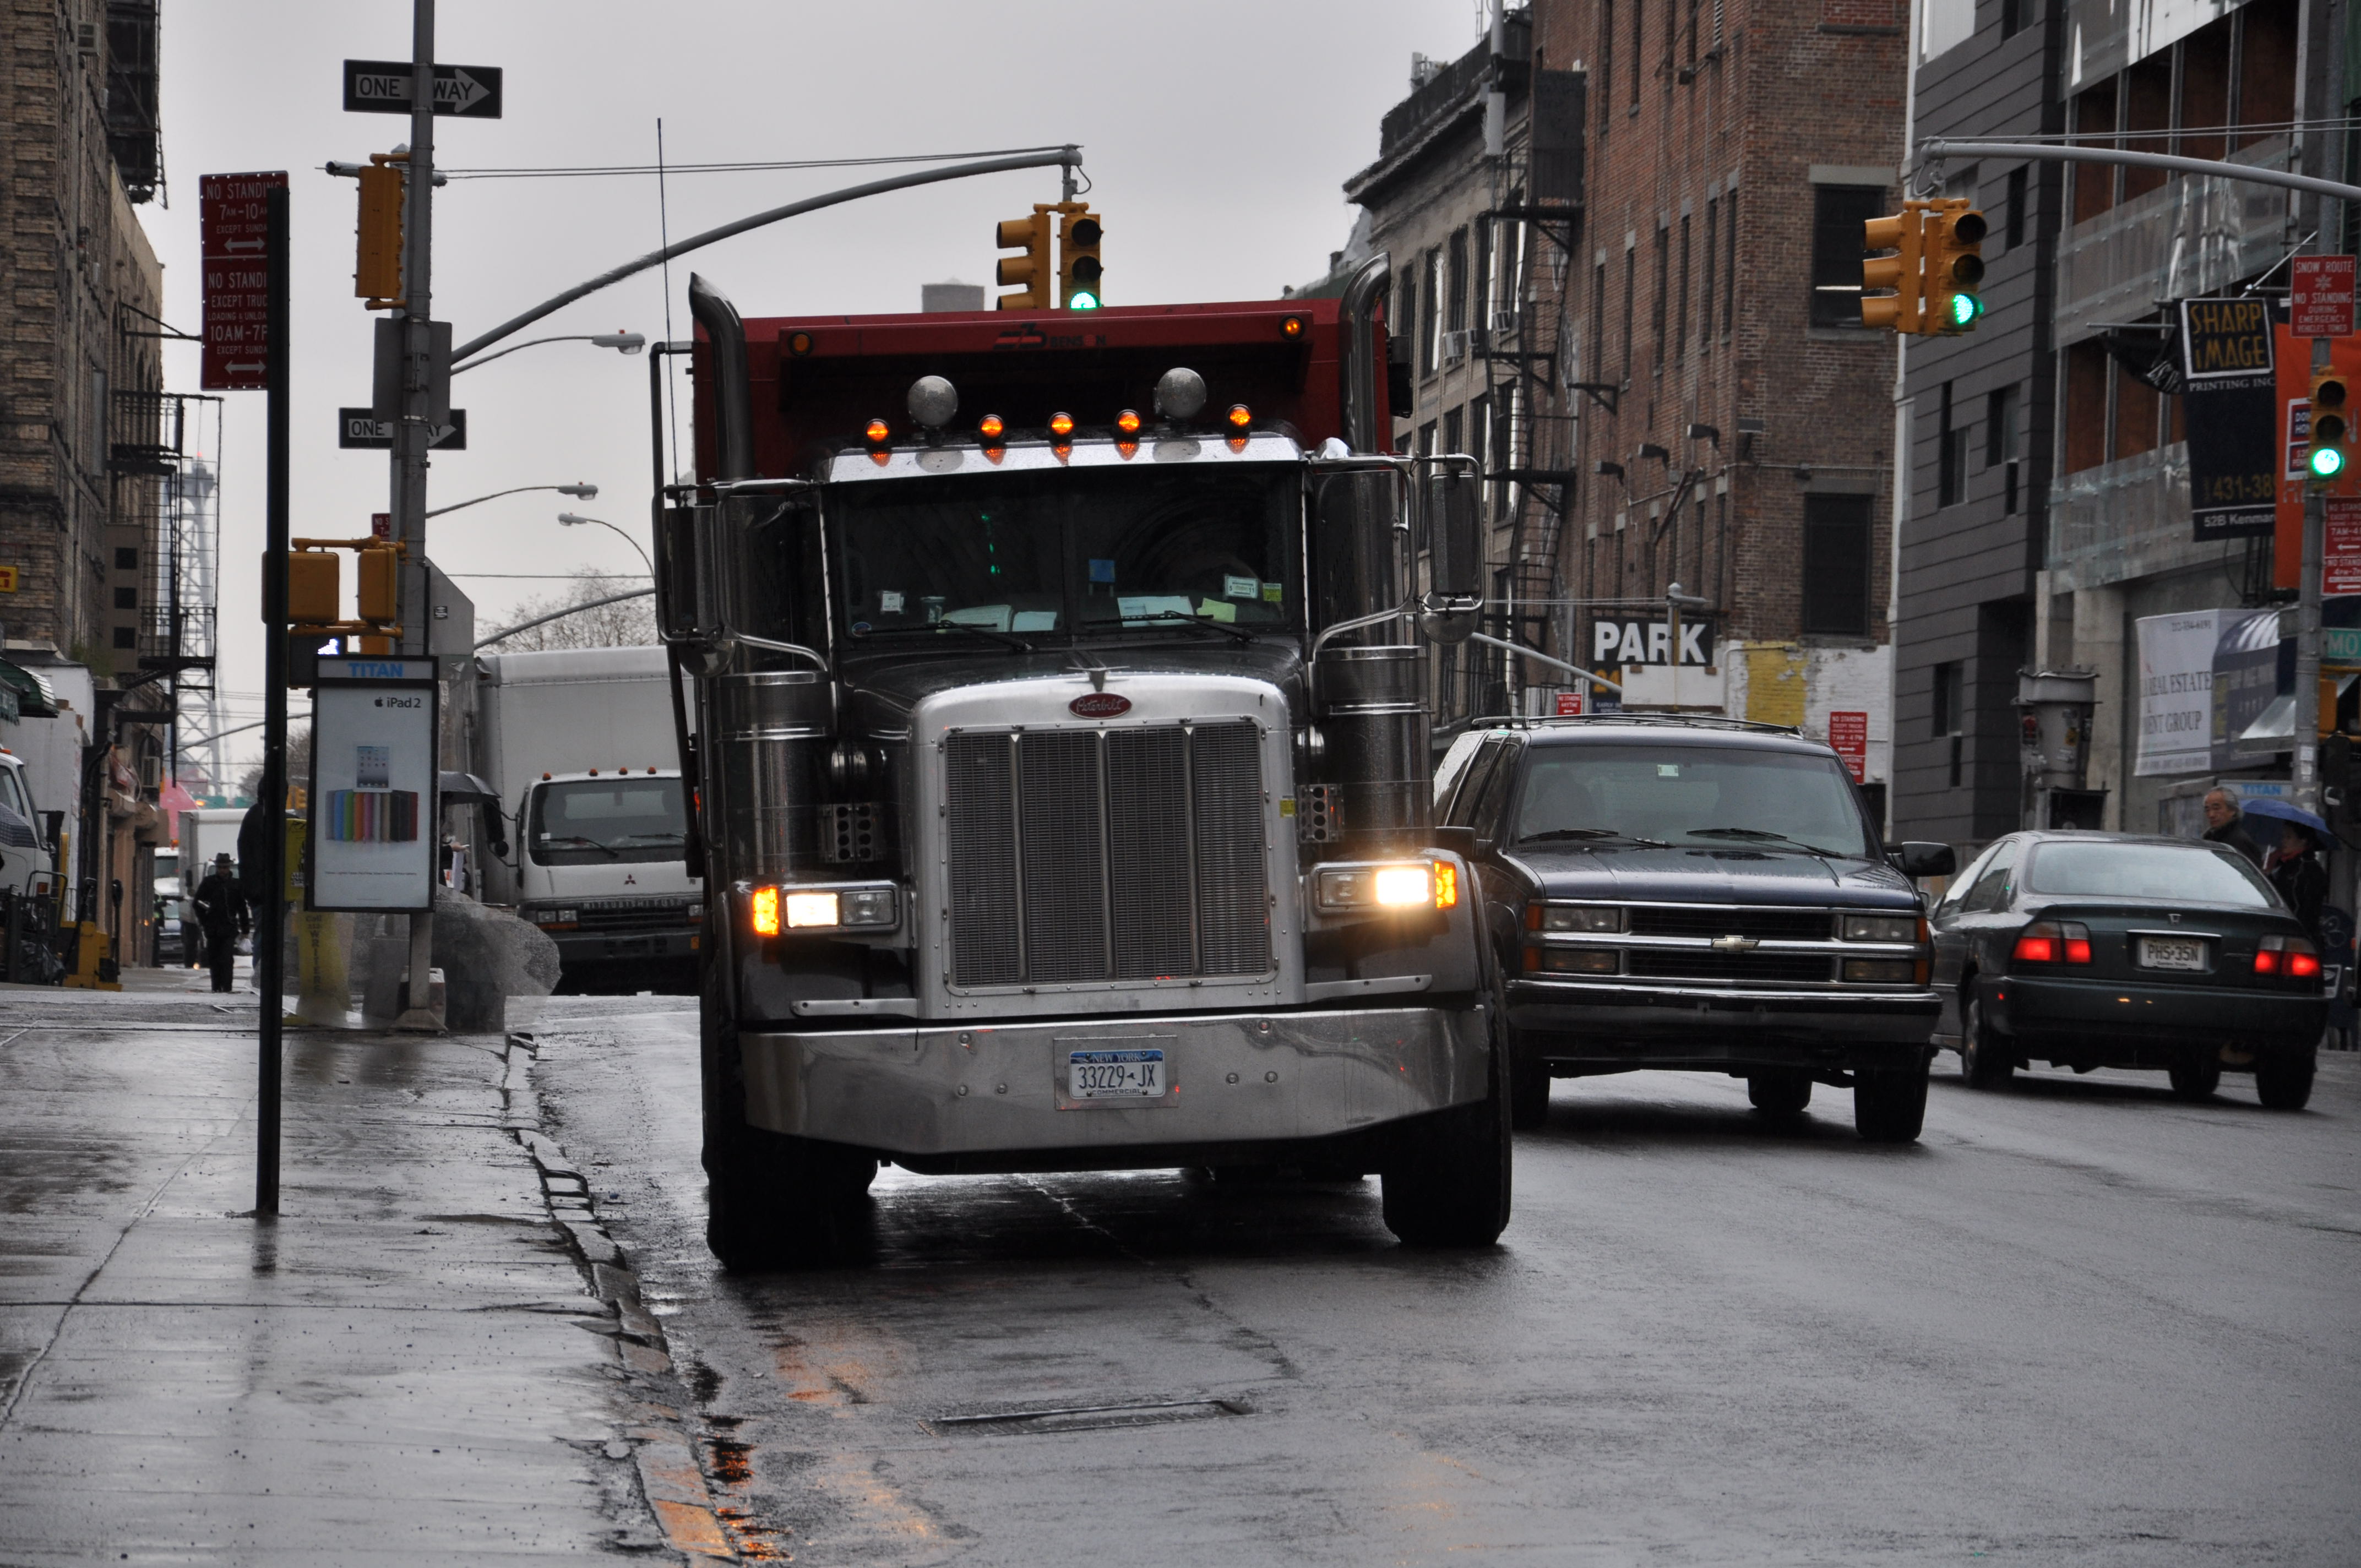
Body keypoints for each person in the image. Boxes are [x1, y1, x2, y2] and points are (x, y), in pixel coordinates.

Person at [190, 852, 249, 993]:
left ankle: (227, 987)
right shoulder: (209, 883)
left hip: (229, 928)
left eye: (225, 867)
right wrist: (204, 921)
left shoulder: (236, 884)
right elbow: (197, 904)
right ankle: (216, 987)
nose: (223, 870)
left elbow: (242, 909)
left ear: (229, 868)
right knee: (214, 959)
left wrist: (245, 930)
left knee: (227, 959)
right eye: (220, 867)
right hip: (212, 928)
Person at [2266, 823, 2329, 944]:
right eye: (2283, 837)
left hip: (2299, 936)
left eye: (2289, 837)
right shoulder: (2286, 865)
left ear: (2303, 841)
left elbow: (2303, 906)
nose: (2283, 841)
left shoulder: (2307, 869)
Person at [2202, 788, 2265, 867]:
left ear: (2232, 810)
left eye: (2216, 809)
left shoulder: (2239, 842)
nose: (2211, 815)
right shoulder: (2209, 838)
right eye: (2207, 810)